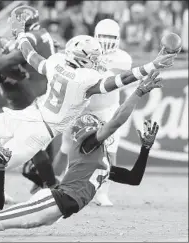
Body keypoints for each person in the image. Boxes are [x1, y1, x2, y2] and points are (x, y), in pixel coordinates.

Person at [0, 8, 175, 219]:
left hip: (26, 114)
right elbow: (119, 80)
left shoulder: (56, 62)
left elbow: (31, 56)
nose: (97, 61)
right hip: (38, 132)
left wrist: (23, 35)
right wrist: (152, 66)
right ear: (84, 58)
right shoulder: (85, 80)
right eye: (93, 57)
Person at [0, 82, 160, 231]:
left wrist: (146, 148)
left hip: (57, 208)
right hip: (55, 202)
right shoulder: (88, 145)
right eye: (98, 126)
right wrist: (138, 92)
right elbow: (116, 121)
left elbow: (134, 179)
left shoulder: (99, 161)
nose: (103, 128)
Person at [0, 6, 59, 194]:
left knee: (26, 146)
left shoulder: (32, 37)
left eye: (15, 22)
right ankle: (46, 182)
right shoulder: (38, 35)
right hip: (37, 96)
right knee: (35, 144)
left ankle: (51, 184)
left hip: (37, 97)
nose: (12, 25)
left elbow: (6, 63)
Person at [52, 19, 132, 206]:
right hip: (80, 106)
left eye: (110, 37)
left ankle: (102, 192)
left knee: (110, 150)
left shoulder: (123, 58)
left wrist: (92, 57)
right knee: (66, 148)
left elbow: (113, 67)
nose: (106, 41)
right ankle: (52, 182)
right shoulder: (85, 47)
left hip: (106, 109)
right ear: (94, 36)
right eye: (102, 36)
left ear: (118, 39)